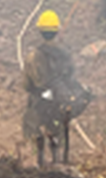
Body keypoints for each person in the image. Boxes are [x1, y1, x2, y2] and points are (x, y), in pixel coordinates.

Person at [21, 10, 91, 167]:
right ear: (57, 31)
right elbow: (71, 78)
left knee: (32, 130)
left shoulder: (33, 56)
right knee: (57, 135)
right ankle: (57, 163)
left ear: (40, 31)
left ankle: (38, 163)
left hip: (39, 102)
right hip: (59, 103)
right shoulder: (65, 55)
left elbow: (26, 85)